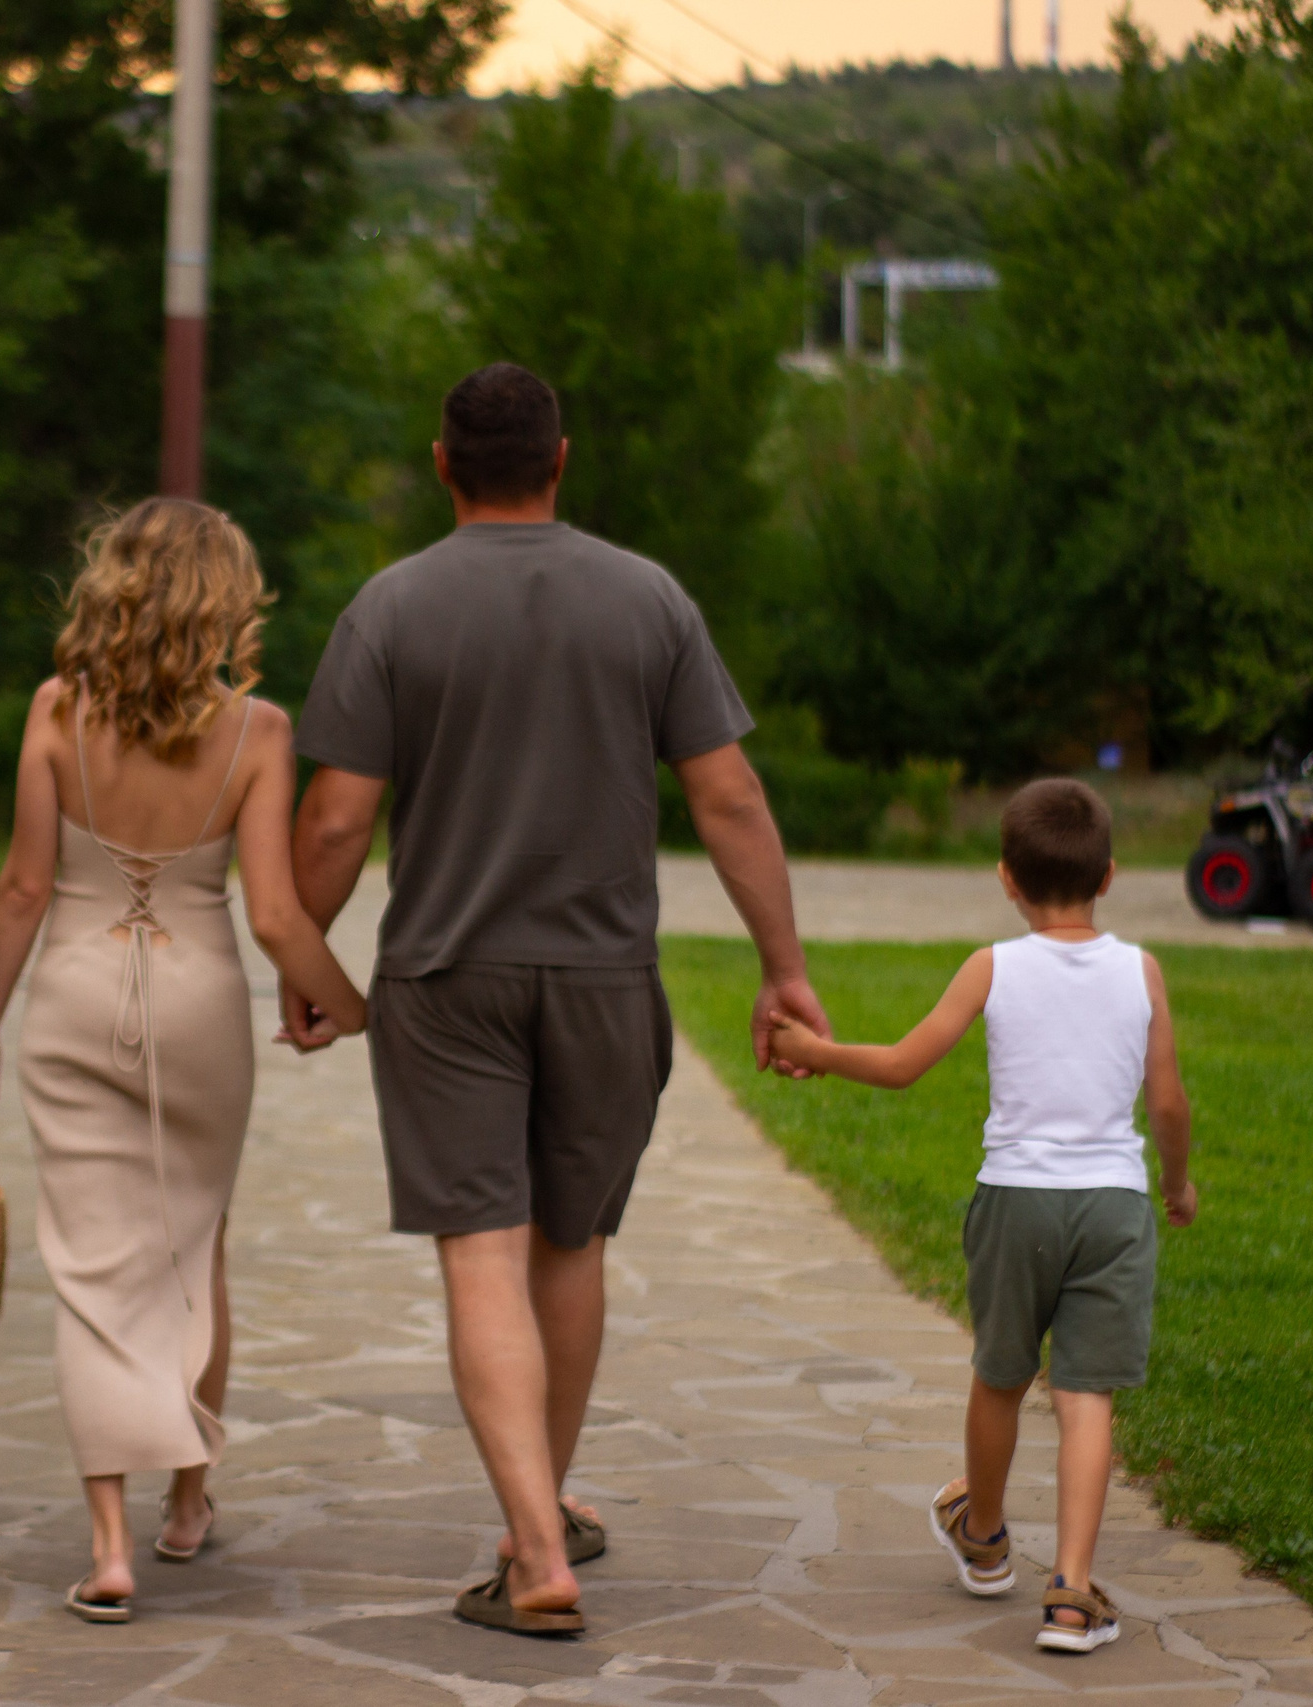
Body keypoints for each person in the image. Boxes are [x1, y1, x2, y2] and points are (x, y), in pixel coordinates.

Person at [285, 362, 828, 1636]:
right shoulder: (648, 599)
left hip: (446, 981)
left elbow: (337, 816)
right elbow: (730, 796)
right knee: (567, 1246)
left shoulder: (388, 608)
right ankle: (546, 1506)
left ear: (440, 465)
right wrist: (783, 966)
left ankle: (536, 1547)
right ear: (561, 460)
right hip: (601, 980)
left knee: (480, 1254)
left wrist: (300, 956)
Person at [0, 498, 368, 1624]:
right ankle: (189, 1502)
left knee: (92, 1269)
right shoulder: (260, 734)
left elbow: (24, 891)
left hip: (76, 1003)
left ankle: (107, 1545)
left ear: (116, 585)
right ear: (226, 602)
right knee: (193, 1250)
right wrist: (352, 1008)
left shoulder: (55, 710)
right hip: (199, 1011)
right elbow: (277, 918)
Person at [766, 778, 1197, 1655]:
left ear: (1007, 877)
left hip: (1016, 1201)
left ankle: (988, 1536)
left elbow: (899, 1063)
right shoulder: (1140, 969)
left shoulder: (992, 965)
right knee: (1086, 1397)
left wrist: (813, 1050)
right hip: (1114, 1205)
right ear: (1110, 874)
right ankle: (1072, 1591)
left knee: (1002, 1375)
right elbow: (1169, 1101)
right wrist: (1178, 1186)